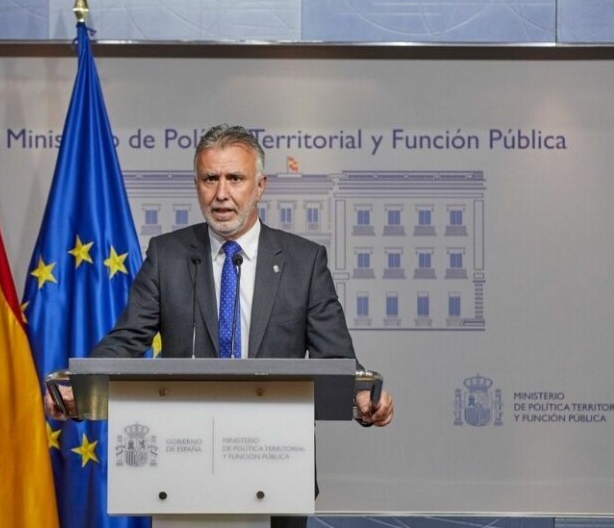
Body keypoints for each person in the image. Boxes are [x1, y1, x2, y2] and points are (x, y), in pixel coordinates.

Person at [47, 124, 394, 528]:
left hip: (277, 468)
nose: (221, 193)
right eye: (210, 179)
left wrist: (364, 398)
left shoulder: (304, 261)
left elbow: (336, 356)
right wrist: (80, 383)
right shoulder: (168, 255)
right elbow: (128, 338)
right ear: (197, 184)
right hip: (185, 468)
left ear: (260, 185)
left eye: (235, 178)